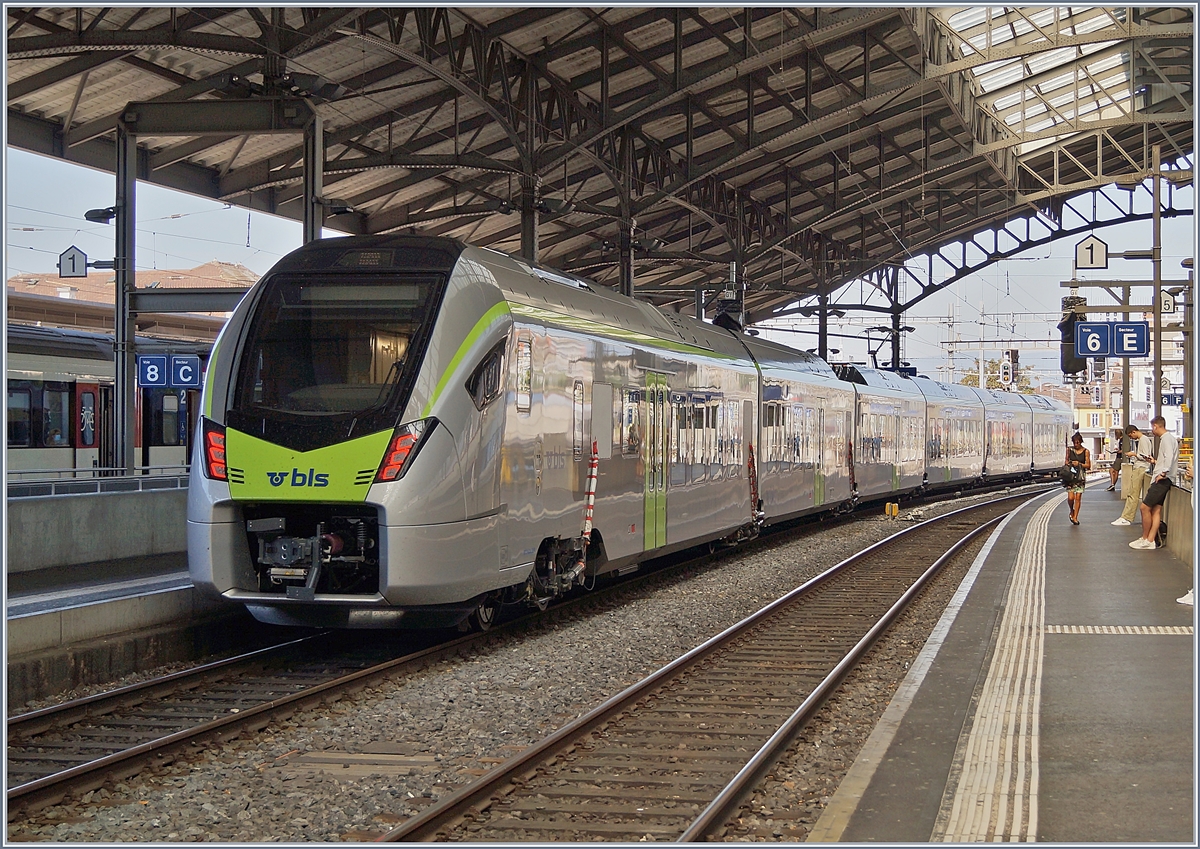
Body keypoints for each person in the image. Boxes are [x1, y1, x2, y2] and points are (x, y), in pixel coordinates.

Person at [1130, 416, 1178, 550]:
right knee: (1156, 510)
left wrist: (1163, 473)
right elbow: (1167, 458)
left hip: (1162, 480)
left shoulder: (1166, 439)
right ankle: (1150, 539)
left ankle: (1146, 538)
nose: (1152, 430)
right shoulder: (1171, 439)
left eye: (1152, 427)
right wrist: (1155, 462)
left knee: (1144, 507)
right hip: (1166, 479)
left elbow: (1169, 457)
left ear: (1156, 426)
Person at [1111, 423, 1152, 526]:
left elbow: (1145, 456)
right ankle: (1125, 516)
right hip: (1140, 467)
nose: (1131, 438)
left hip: (1140, 468)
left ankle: (1127, 517)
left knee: (1133, 494)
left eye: (1130, 435)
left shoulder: (1143, 440)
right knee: (1132, 493)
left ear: (1134, 432)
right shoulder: (1143, 440)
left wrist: (1133, 454)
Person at [1064, 431, 1091, 525]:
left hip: (1080, 476)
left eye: (1077, 442)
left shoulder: (1086, 451)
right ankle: (1071, 510)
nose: (1076, 444)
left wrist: (1079, 464)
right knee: (1071, 497)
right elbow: (1066, 461)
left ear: (1081, 442)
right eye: (1074, 442)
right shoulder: (1069, 450)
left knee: (1078, 497)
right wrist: (1070, 464)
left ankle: (1075, 517)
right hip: (1071, 476)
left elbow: (1088, 465)